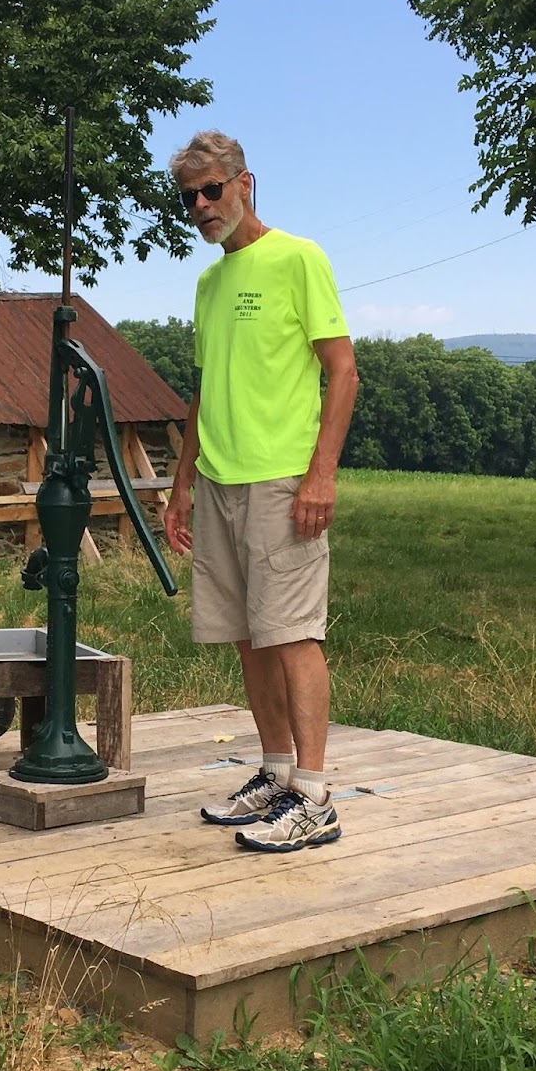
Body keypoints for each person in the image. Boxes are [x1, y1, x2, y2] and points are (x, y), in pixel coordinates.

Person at [162, 131, 358, 852]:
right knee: (248, 636)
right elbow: (204, 390)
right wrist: (181, 485)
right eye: (189, 198)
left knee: (293, 635)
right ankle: (275, 773)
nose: (202, 206)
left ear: (245, 183)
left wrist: (320, 473)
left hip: (282, 480)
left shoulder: (299, 258)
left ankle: (314, 794)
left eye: (212, 190)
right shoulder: (209, 284)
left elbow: (343, 371)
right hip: (219, 480)